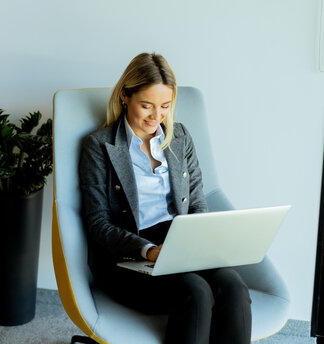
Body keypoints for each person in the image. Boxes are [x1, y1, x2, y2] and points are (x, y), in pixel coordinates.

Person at [78, 53, 252, 344]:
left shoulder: (180, 136)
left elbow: (196, 203)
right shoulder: (100, 146)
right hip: (128, 254)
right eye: (146, 105)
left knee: (233, 287)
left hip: (180, 243)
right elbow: (98, 223)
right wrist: (148, 250)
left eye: (165, 106)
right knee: (195, 292)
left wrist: (198, 241)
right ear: (125, 96)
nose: (156, 116)